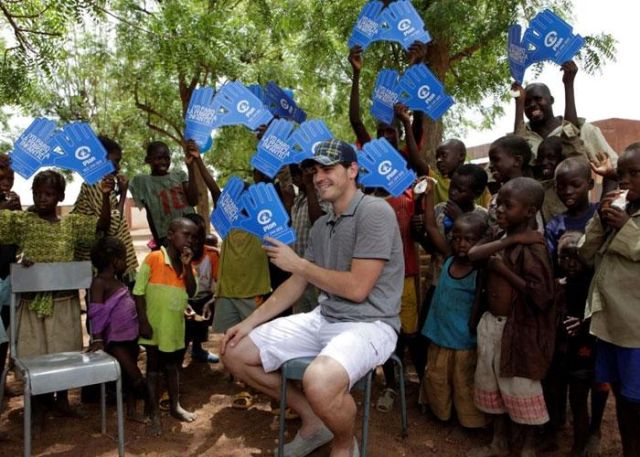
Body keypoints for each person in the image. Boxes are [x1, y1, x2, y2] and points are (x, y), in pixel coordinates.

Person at [221, 139, 403, 457]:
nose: (319, 178)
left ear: (352, 170)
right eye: (315, 171)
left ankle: (343, 443)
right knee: (234, 351)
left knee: (318, 381)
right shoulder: (322, 224)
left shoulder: (375, 212)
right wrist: (247, 323)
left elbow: (357, 288)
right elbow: (296, 284)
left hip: (370, 323)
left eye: (327, 169)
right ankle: (313, 420)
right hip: (324, 317)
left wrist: (299, 264)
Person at [348, 42, 426, 413]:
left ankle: (422, 387)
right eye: (380, 133)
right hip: (374, 274)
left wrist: (417, 68)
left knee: (411, 332)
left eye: (390, 133)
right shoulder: (368, 189)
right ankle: (391, 387)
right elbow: (355, 122)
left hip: (407, 271)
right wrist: (356, 74)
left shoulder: (409, 178)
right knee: (384, 332)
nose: (385, 137)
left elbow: (419, 125)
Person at [0, 169, 111, 424]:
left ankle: (62, 400)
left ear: (60, 196)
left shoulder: (71, 225)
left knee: (64, 351)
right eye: (37, 193)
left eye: (49, 194)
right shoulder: (24, 222)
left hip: (63, 302)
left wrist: (106, 195)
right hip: (32, 304)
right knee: (34, 353)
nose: (42, 198)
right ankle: (38, 404)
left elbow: (101, 226)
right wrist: (5, 205)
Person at [467, 177, 555, 457]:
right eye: (499, 204)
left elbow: (542, 296)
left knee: (520, 388)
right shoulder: (501, 237)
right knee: (493, 384)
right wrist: (513, 239)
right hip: (493, 326)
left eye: (508, 205)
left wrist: (503, 270)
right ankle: (499, 442)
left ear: (530, 212)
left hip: (519, 332)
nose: (500, 210)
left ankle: (527, 447)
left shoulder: (535, 248)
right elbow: (473, 254)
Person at [578, 143, 640, 457]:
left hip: (635, 330)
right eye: (621, 173)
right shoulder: (619, 205)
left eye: (634, 173)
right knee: (620, 392)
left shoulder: (628, 217)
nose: (624, 179)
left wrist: (627, 227)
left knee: (634, 398)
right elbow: (586, 253)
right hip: (610, 323)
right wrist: (601, 221)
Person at [419, 212, 488, 429]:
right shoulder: (448, 259)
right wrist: (428, 195)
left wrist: (473, 326)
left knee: (464, 382)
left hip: (463, 341)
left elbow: (479, 303)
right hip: (440, 335)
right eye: (457, 238)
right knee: (437, 377)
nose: (461, 244)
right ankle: (441, 413)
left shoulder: (479, 271)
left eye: (469, 240)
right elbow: (431, 227)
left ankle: (470, 421)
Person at [133, 217, 198, 435]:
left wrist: (187, 266)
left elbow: (191, 291)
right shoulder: (154, 258)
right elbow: (138, 292)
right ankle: (153, 413)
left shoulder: (186, 263)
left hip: (174, 328)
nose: (190, 240)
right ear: (170, 235)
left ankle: (175, 406)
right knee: (152, 369)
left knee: (172, 367)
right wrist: (143, 322)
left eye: (193, 237)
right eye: (186, 235)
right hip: (154, 326)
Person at [554, 232, 610, 456]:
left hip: (587, 350)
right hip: (565, 351)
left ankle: (583, 442)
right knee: (567, 397)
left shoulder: (595, 282)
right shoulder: (560, 282)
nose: (570, 263)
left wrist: (584, 323)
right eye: (565, 257)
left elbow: (604, 312)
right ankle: (566, 437)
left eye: (576, 257)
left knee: (581, 399)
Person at [87, 236, 149, 422]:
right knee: (135, 377)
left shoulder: (119, 282)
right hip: (115, 341)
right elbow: (96, 312)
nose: (126, 263)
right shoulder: (100, 283)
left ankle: (132, 411)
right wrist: (98, 339)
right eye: (124, 259)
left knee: (129, 378)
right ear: (114, 261)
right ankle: (152, 402)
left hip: (131, 337)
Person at [513, 61, 617, 166]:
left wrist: (568, 83)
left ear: (551, 100)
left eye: (538, 99)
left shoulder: (584, 130)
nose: (532, 105)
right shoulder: (522, 137)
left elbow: (613, 166)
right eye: (526, 102)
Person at [73, 136, 138, 285]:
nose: (118, 167)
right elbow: (111, 226)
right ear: (101, 159)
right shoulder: (95, 184)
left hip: (104, 262)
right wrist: (123, 194)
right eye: (116, 161)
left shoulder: (100, 183)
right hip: (100, 264)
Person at [129, 141, 199, 248]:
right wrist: (158, 242)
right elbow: (150, 214)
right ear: (148, 160)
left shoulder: (179, 175)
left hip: (190, 233)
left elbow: (194, 201)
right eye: (159, 158)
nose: (164, 162)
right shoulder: (142, 182)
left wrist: (191, 168)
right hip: (166, 238)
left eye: (167, 158)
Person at [289, 164, 330, 314]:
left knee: (319, 316)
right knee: (299, 320)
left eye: (299, 174)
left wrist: (310, 187)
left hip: (316, 271)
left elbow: (318, 222)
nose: (295, 179)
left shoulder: (322, 194)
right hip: (298, 271)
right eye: (293, 176)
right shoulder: (299, 199)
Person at [487, 135, 543, 236]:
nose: (490, 166)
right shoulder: (495, 198)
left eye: (496, 160)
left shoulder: (528, 193)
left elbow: (529, 234)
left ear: (517, 161)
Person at [183, 213, 219, 364]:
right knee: (184, 331)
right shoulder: (177, 257)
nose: (194, 241)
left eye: (199, 237)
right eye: (190, 237)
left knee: (201, 325)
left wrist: (211, 301)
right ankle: (180, 354)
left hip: (204, 299)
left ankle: (198, 349)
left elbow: (219, 284)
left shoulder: (212, 255)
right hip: (182, 299)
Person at [0, 154, 20, 393]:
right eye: (1, 178)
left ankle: (1, 383)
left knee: (5, 333)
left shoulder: (11, 202)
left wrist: (17, 212)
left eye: (10, 178)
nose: (6, 182)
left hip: (7, 275)